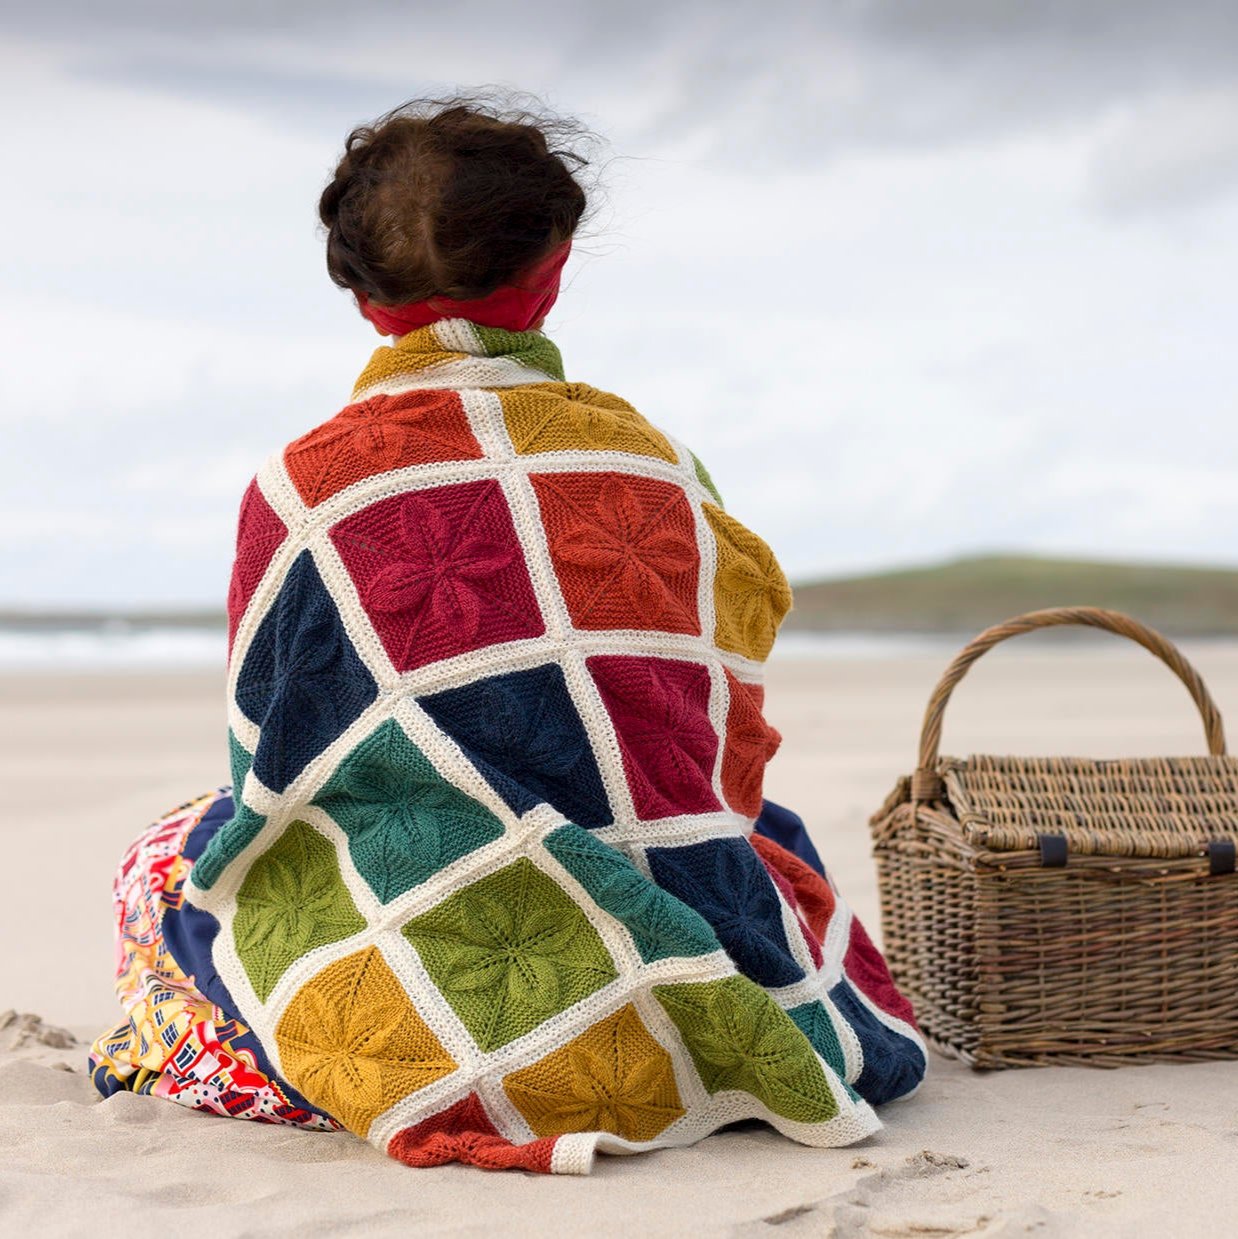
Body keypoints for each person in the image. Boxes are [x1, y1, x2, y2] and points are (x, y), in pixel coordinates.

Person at [90, 96, 926, 1174]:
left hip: (434, 985)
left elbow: (275, 775)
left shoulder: (299, 493)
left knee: (167, 861)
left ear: (359, 296)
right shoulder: (655, 467)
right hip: (678, 905)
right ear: (554, 265)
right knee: (764, 838)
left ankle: (353, 1059)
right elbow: (724, 745)